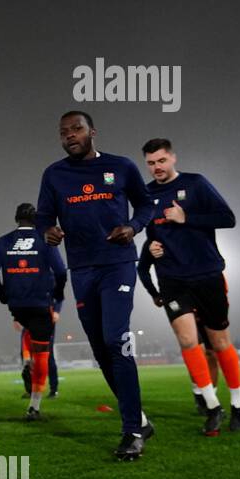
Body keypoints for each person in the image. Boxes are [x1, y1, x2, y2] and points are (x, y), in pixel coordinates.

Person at [36, 112, 156, 460]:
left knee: (116, 340)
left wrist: (133, 227)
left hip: (117, 264)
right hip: (82, 269)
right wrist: (49, 229)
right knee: (101, 348)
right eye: (64, 132)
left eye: (76, 129)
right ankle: (141, 420)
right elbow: (45, 215)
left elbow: (146, 204)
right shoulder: (54, 174)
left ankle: (132, 430)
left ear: (92, 132)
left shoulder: (121, 167)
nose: (70, 135)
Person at [138, 138, 240, 434]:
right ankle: (213, 406)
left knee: (220, 342)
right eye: (150, 163)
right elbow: (150, 231)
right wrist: (153, 246)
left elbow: (228, 218)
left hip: (206, 273)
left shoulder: (196, 184)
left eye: (161, 161)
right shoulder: (145, 195)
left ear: (173, 158)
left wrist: (187, 218)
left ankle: (238, 403)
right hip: (172, 278)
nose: (156, 168)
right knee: (187, 341)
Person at [0, 202, 67, 419]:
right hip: (41, 304)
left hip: (17, 305)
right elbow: (61, 271)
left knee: (26, 337)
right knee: (43, 353)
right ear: (37, 219)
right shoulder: (45, 240)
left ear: (16, 218)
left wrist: (3, 294)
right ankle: (35, 405)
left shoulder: (2, 242)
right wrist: (58, 294)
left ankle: (27, 361)